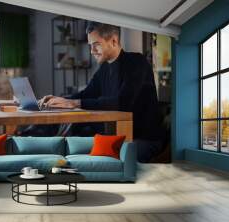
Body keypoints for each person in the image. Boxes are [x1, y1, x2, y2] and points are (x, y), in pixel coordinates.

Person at [35, 22, 163, 162]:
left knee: (105, 160)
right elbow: (85, 95)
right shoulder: (104, 69)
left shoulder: (137, 62)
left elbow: (122, 103)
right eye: (90, 45)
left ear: (113, 41)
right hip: (114, 137)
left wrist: (73, 103)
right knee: (67, 151)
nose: (91, 51)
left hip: (143, 139)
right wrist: (59, 100)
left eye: (96, 44)